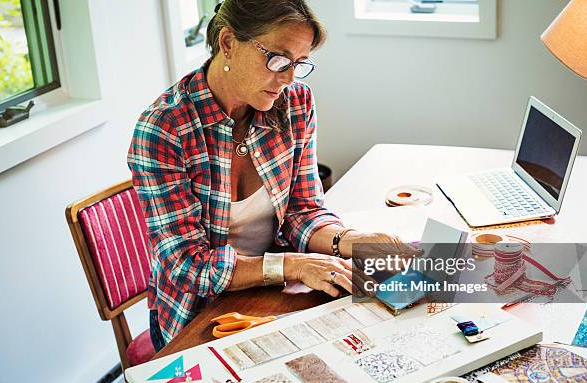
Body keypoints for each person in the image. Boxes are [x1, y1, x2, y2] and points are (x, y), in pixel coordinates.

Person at [128, 0, 418, 352]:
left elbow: (303, 210)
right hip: (196, 316)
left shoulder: (295, 102)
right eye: (278, 59)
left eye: (299, 64)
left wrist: (354, 241)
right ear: (228, 43)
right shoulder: (164, 129)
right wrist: (294, 265)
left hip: (275, 295)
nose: (288, 77)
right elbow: (188, 265)